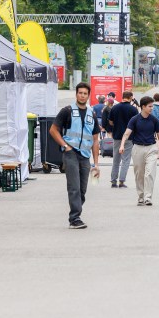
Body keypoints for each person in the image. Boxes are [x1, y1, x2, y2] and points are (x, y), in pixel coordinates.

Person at [49, 81, 101, 230]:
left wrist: (96, 164)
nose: (82, 96)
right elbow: (53, 130)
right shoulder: (67, 111)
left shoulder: (92, 113)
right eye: (80, 93)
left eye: (85, 93)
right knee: (74, 187)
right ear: (76, 94)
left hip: (85, 156)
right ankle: (75, 218)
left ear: (88, 95)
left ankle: (76, 212)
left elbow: (95, 139)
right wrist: (65, 146)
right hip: (71, 153)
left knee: (82, 189)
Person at [119, 96, 159, 206]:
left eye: (152, 106)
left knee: (149, 173)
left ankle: (148, 197)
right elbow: (127, 133)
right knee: (139, 174)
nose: (152, 108)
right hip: (137, 148)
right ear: (143, 107)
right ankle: (141, 196)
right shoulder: (135, 119)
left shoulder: (154, 120)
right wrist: (122, 145)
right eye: (150, 106)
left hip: (151, 148)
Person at [107, 90, 139, 188]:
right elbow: (136, 123)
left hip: (117, 136)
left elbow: (110, 122)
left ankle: (113, 181)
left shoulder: (115, 108)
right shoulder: (133, 110)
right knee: (126, 159)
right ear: (130, 98)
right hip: (129, 138)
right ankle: (121, 181)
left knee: (116, 159)